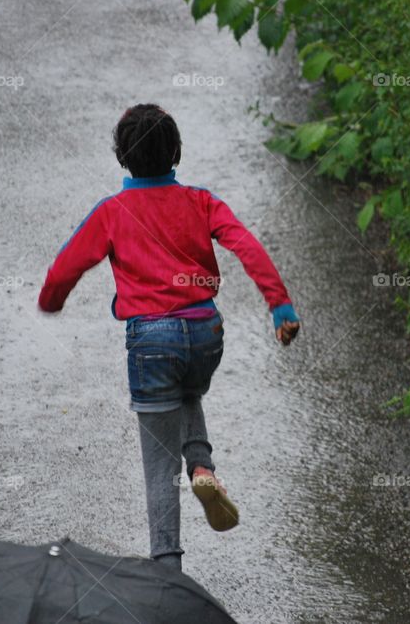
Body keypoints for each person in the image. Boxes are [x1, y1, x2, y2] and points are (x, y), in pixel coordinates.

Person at [38, 104, 300, 572]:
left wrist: (51, 301)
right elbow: (246, 245)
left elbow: (67, 266)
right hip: (205, 333)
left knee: (160, 467)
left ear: (122, 157)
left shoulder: (112, 212)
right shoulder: (201, 202)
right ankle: (202, 467)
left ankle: (167, 572)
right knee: (188, 389)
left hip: (150, 340)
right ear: (176, 151)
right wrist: (279, 305)